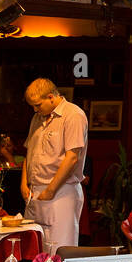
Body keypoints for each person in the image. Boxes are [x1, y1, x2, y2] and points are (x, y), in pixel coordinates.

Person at [20, 78, 88, 251]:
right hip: (34, 192)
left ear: (51, 97)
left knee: (58, 250)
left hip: (61, 191)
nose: (35, 110)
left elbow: (72, 157)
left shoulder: (73, 115)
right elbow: (29, 152)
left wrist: (50, 190)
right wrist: (24, 183)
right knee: (36, 251)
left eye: (37, 105)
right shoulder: (37, 117)